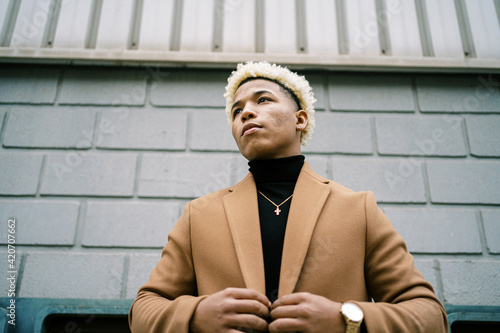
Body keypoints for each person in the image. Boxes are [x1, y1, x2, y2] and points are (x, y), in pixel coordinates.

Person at [128, 61, 448, 333]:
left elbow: (431, 316)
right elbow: (143, 310)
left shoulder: (357, 208)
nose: (245, 113)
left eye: (262, 100)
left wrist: (346, 321)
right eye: (237, 110)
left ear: (300, 119)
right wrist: (196, 317)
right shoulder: (198, 215)